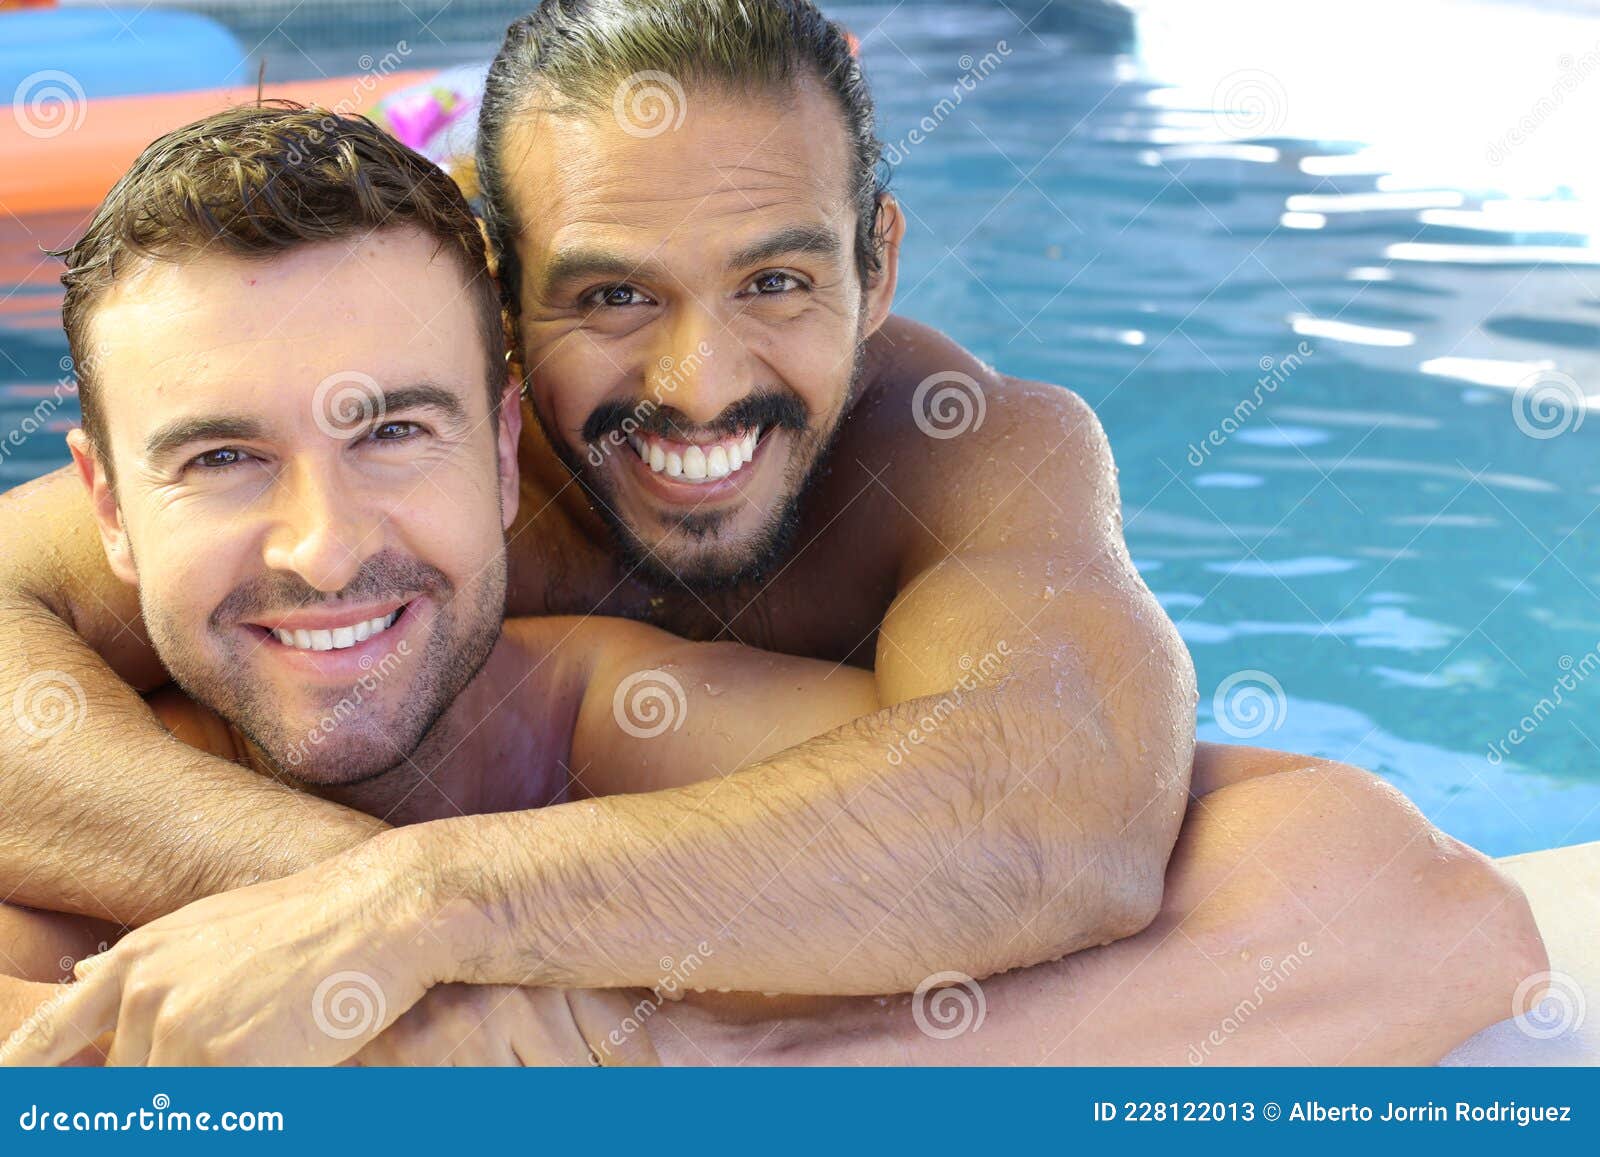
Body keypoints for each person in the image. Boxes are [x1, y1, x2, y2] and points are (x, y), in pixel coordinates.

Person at [0, 105, 1544, 1063]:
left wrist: (613, 1039)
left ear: (496, 439)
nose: (324, 545)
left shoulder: (571, 700)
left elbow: (1397, 898)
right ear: (106, 511)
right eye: (218, 459)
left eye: (394, 431)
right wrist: (345, 913)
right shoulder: (119, 769)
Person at [0, 0, 1198, 1001]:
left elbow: (1070, 804)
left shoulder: (952, 457)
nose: (700, 388)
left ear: (873, 265)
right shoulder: (394, 479)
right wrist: (339, 884)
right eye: (615, 296)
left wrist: (434, 907)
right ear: (499, 299)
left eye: (775, 282)